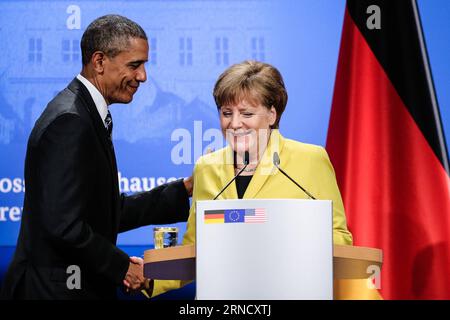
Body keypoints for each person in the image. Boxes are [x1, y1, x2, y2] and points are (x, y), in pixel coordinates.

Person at [0, 14, 193, 300]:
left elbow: (102, 212)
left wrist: (184, 189)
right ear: (99, 62)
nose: (143, 76)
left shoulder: (84, 113)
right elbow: (63, 225)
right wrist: (122, 267)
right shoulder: (71, 121)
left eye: (144, 65)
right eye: (134, 65)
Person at [146, 60, 353, 298]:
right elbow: (196, 252)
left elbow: (340, 238)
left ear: (272, 114)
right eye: (226, 113)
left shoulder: (310, 160)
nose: (234, 124)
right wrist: (150, 277)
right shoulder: (207, 168)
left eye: (246, 113)